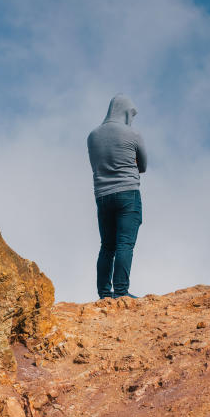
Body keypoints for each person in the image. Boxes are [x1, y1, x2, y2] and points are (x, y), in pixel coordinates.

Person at [87, 94, 148, 299]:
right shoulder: (132, 134)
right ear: (125, 112)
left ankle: (104, 293)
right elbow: (144, 166)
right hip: (128, 193)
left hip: (102, 195)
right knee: (125, 244)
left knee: (107, 245)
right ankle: (121, 292)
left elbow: (96, 165)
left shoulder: (92, 136)